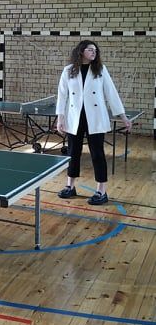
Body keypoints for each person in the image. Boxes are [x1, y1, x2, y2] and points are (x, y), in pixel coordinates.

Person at [56, 40, 132, 206]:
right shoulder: (68, 70)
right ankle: (70, 186)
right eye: (90, 49)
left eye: (95, 50)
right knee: (72, 153)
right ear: (81, 51)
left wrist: (123, 116)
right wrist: (60, 118)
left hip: (95, 118)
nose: (93, 52)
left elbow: (111, 93)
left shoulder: (100, 70)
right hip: (75, 118)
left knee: (97, 154)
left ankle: (101, 191)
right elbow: (62, 96)